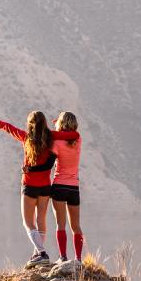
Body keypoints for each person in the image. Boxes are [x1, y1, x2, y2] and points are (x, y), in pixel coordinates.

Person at [0, 111, 80, 267]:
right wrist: (60, 127)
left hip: (29, 186)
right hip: (45, 187)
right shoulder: (51, 138)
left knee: (28, 223)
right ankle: (37, 253)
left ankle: (41, 252)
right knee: (41, 220)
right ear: (44, 124)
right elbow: (72, 135)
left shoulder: (26, 138)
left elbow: (9, 128)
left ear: (30, 125)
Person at [50, 111, 84, 265]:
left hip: (58, 185)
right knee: (76, 226)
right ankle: (78, 259)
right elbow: (68, 134)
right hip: (73, 187)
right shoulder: (78, 140)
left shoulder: (56, 143)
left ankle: (62, 256)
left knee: (60, 224)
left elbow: (50, 161)